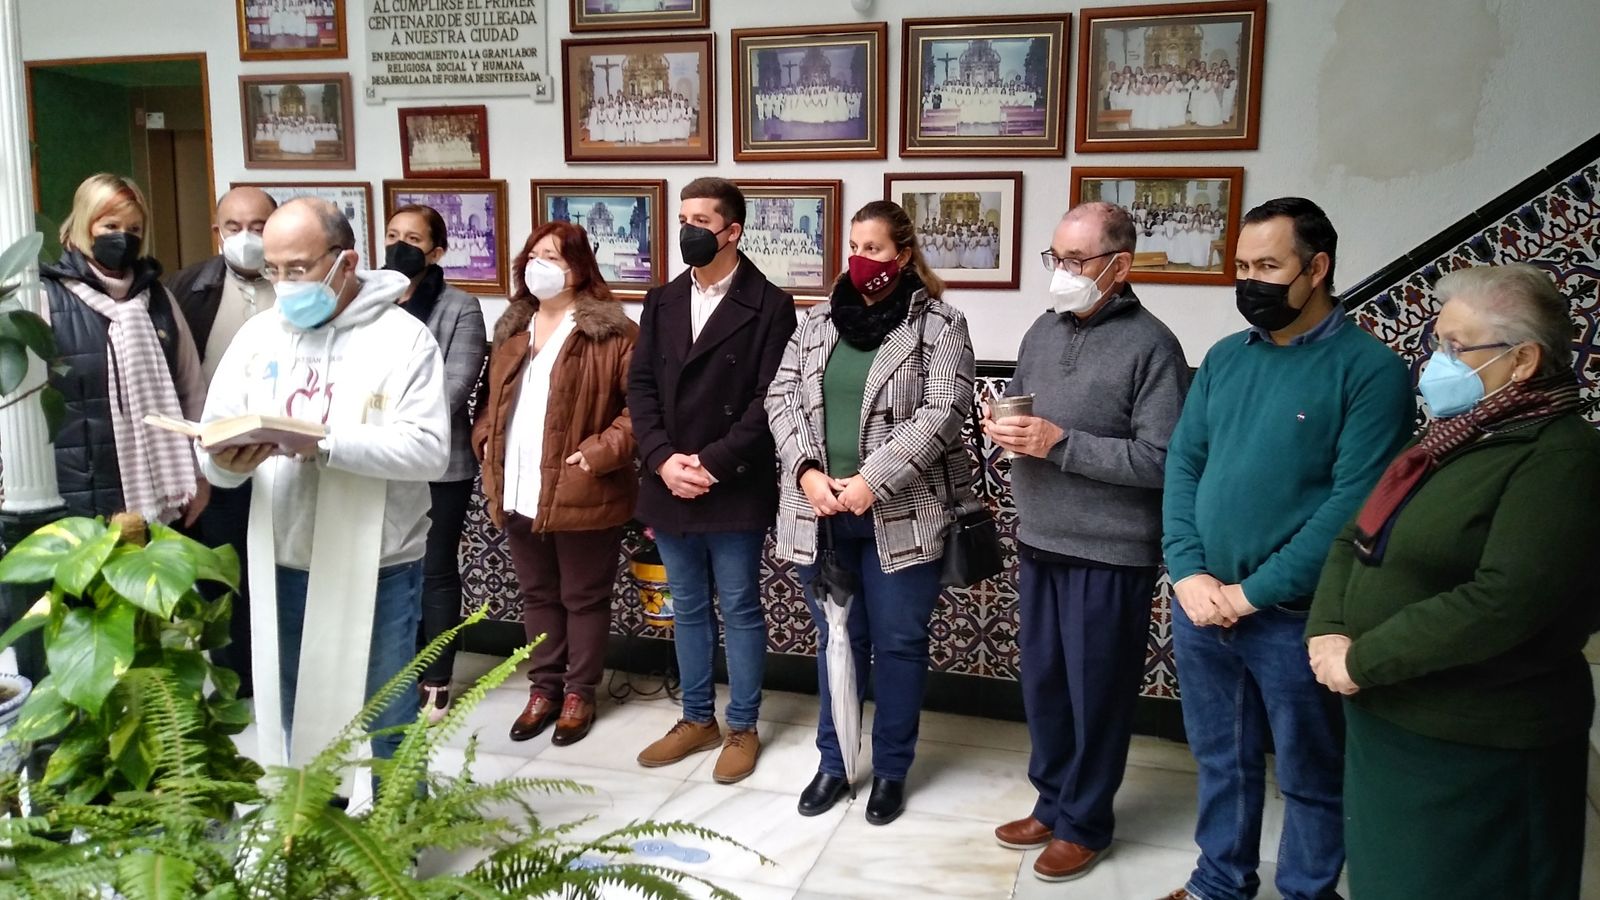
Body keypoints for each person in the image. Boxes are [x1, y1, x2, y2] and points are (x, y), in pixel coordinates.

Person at [1307, 264, 1599, 900]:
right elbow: (1355, 535)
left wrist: (1362, 658)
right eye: (1438, 342)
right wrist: (1327, 628)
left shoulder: (1560, 457)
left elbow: (1504, 601)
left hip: (1477, 744)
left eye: (1456, 348)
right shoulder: (1447, 437)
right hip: (1391, 722)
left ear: (1522, 360)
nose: (1437, 362)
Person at [1157, 197, 1414, 900]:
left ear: (1317, 268)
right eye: (1241, 266)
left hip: (1295, 616)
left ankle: (1306, 892)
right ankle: (1219, 882)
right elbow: (1184, 466)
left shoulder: (1371, 371)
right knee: (1219, 759)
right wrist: (1188, 571)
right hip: (1201, 602)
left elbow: (1352, 507)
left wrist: (1250, 593)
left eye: (1268, 265)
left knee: (1309, 771)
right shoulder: (1223, 358)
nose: (1250, 282)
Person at [198, 197, 448, 780]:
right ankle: (309, 825)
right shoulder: (260, 336)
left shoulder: (403, 339)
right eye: (273, 269)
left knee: (385, 707)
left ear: (346, 260)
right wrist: (228, 464)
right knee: (293, 703)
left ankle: (398, 834)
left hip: (380, 560)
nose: (284, 285)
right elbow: (214, 443)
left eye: (299, 269)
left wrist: (324, 443)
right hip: (286, 551)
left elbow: (428, 450)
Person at [984, 203, 1188, 879]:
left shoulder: (1153, 346)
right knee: (1044, 686)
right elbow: (1021, 404)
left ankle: (1086, 822)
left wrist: (1060, 443)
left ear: (1120, 266)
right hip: (1041, 536)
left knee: (1096, 692)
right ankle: (1053, 801)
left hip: (1111, 549)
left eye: (1077, 262)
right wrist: (1004, 426)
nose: (1062, 274)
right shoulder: (1043, 331)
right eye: (1057, 259)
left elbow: (1160, 460)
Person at [766, 200, 977, 826]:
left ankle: (890, 770)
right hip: (820, 513)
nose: (862, 260)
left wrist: (871, 481)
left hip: (899, 513)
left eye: (875, 249)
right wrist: (806, 471)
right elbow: (781, 398)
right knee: (837, 643)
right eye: (854, 247)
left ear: (904, 255)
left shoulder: (939, 324)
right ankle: (834, 763)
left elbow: (942, 412)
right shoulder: (816, 323)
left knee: (899, 645)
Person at [628, 177, 797, 784]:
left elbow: (770, 400)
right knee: (689, 607)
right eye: (682, 218)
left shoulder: (771, 304)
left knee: (742, 608)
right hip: (669, 479)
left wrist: (711, 464)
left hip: (733, 480)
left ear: (733, 231)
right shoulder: (661, 299)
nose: (688, 230)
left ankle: (743, 726)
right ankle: (696, 719)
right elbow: (641, 388)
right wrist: (664, 460)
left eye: (702, 219)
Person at [476, 221, 637, 746]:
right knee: (538, 593)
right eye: (534, 255)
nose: (539, 265)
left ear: (580, 268)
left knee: (583, 597)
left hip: (581, 486)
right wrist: (485, 439)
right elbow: (492, 400)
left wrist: (597, 455)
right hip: (518, 485)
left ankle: (578, 693)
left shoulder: (611, 332)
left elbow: (642, 412)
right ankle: (543, 688)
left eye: (554, 257)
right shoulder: (512, 327)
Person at [42, 173, 207, 525]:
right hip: (75, 491)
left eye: (134, 229)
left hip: (164, 490)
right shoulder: (47, 298)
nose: (123, 237)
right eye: (110, 224)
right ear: (85, 224)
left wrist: (200, 475)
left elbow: (191, 390)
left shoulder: (159, 299)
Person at [167, 185, 279, 697]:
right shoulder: (185, 288)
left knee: (286, 568)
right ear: (217, 232)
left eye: (258, 227)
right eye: (233, 228)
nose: (246, 238)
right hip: (220, 457)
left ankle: (291, 668)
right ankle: (239, 677)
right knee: (224, 569)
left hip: (292, 456)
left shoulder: (304, 286)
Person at [380, 204, 487, 725]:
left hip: (440, 462)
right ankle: (396, 667)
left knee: (436, 567)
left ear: (436, 251)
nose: (401, 245)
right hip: (376, 460)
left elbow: (456, 385)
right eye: (394, 235)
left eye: (414, 238)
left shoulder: (460, 307)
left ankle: (437, 678)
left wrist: (388, 426)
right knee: (388, 567)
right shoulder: (367, 304)